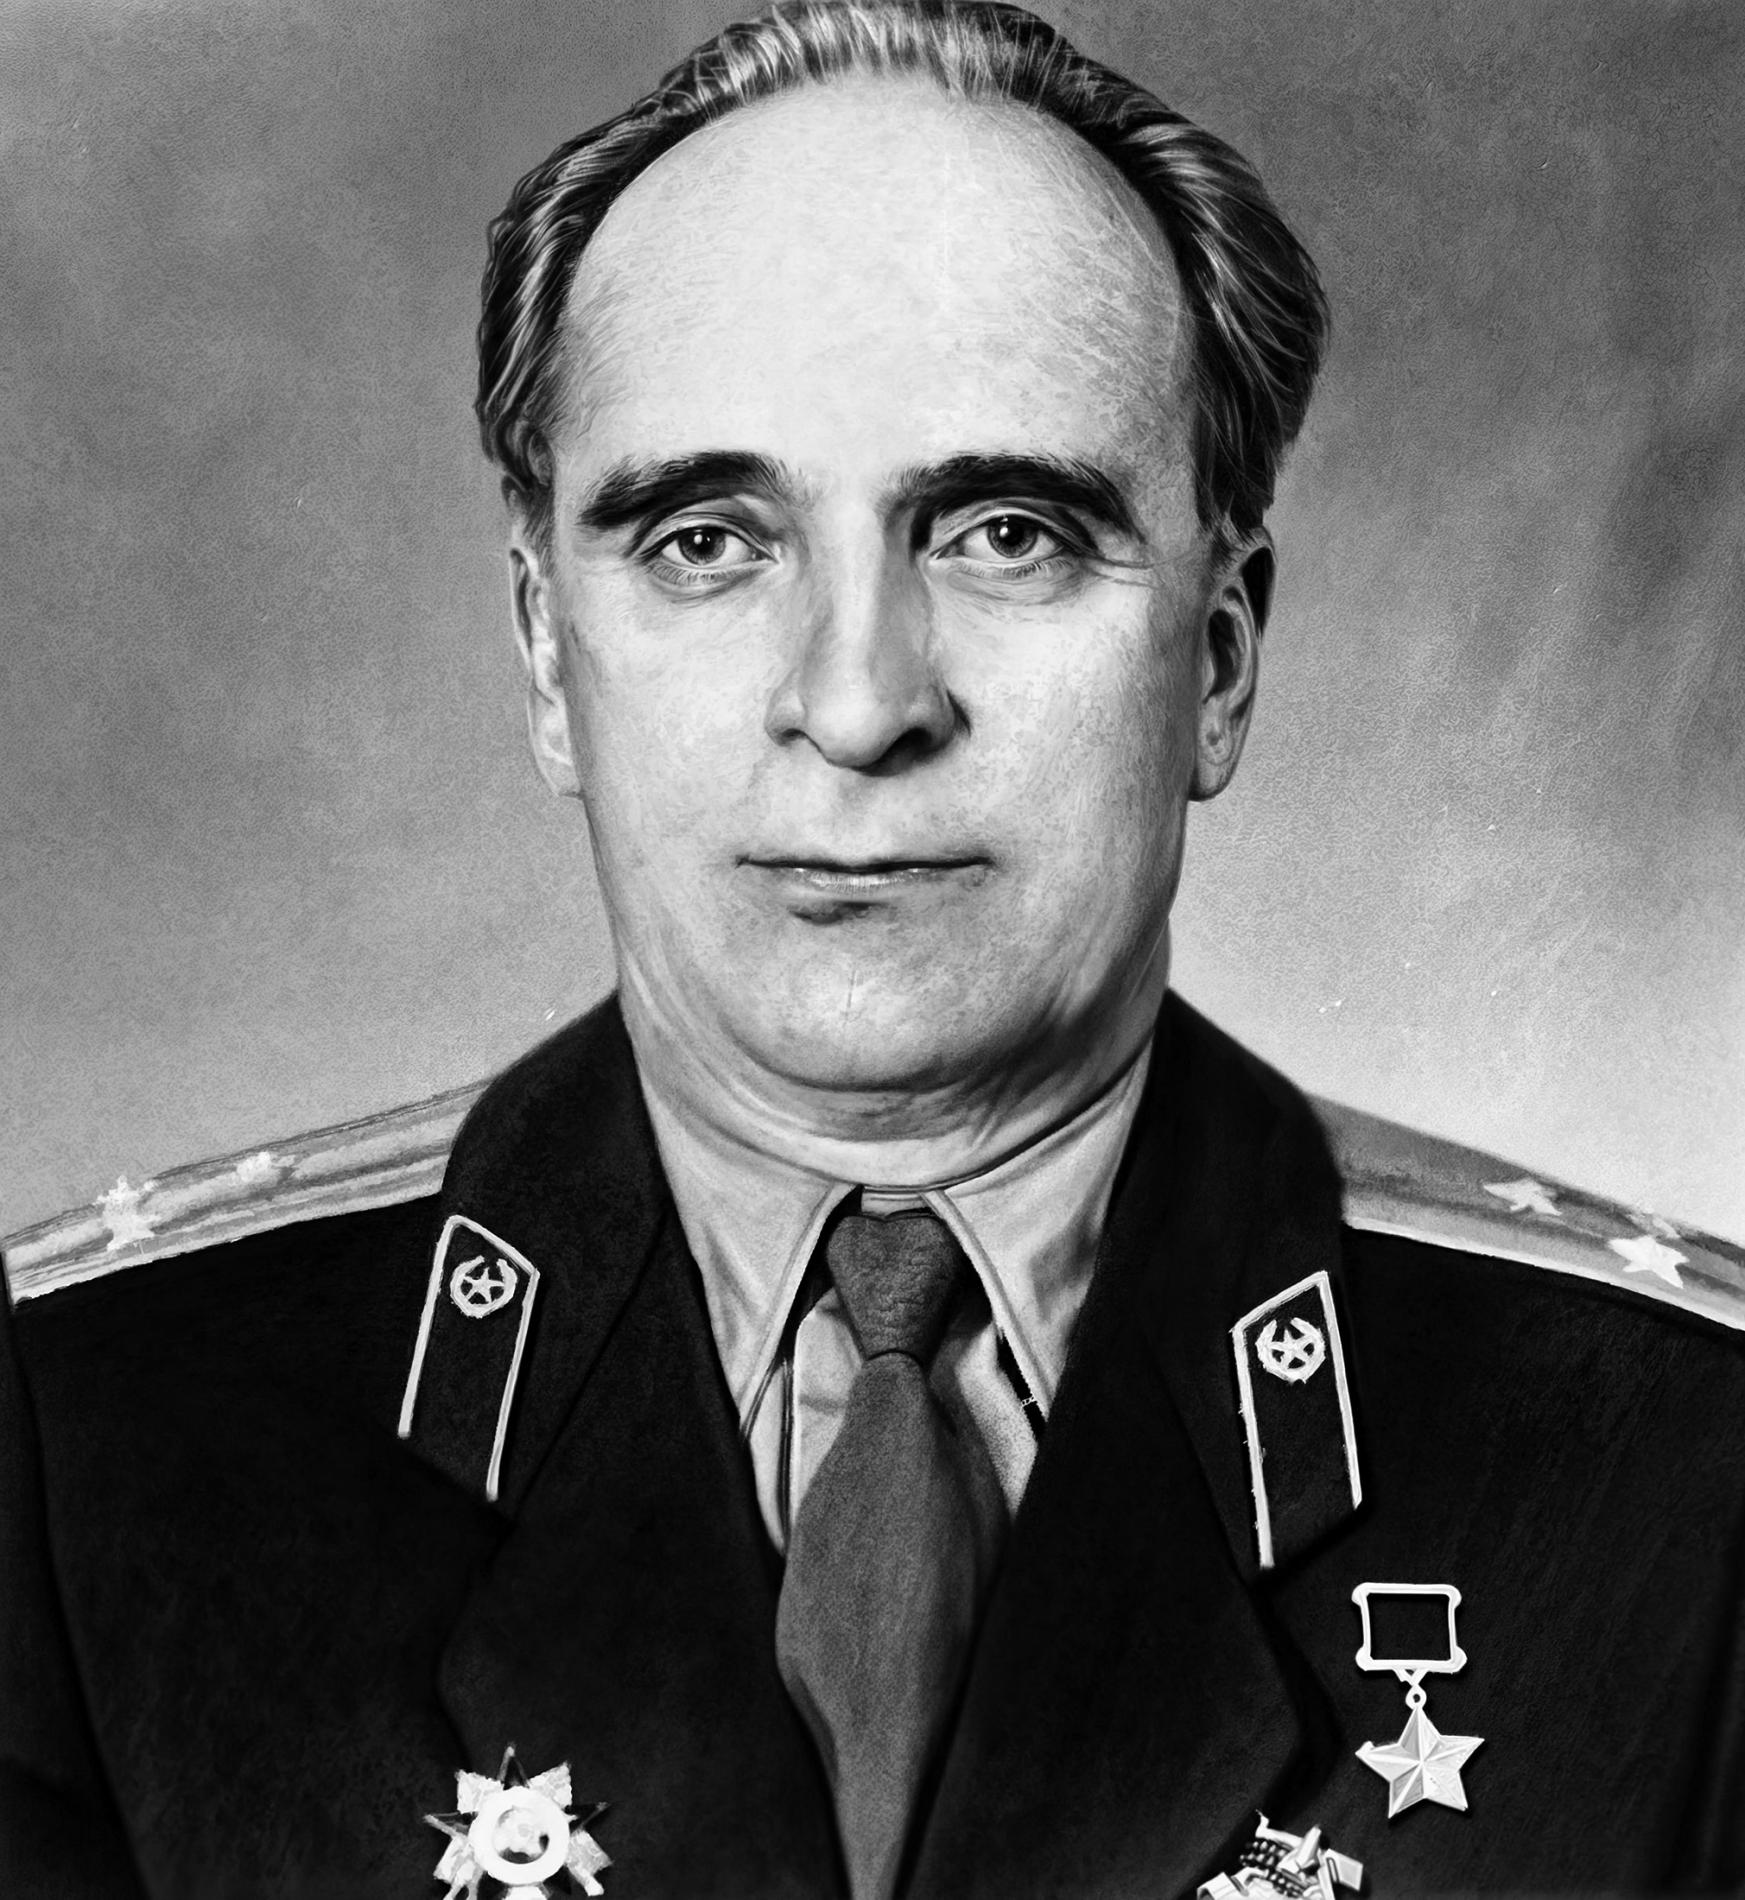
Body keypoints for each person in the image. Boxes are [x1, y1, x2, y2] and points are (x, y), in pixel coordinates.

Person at [3, 3, 1743, 1895]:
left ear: (1220, 659)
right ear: (547, 655)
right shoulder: (69, 1444)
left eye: (1006, 533)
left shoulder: (1690, 1470)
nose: (856, 702)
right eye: (704, 540)